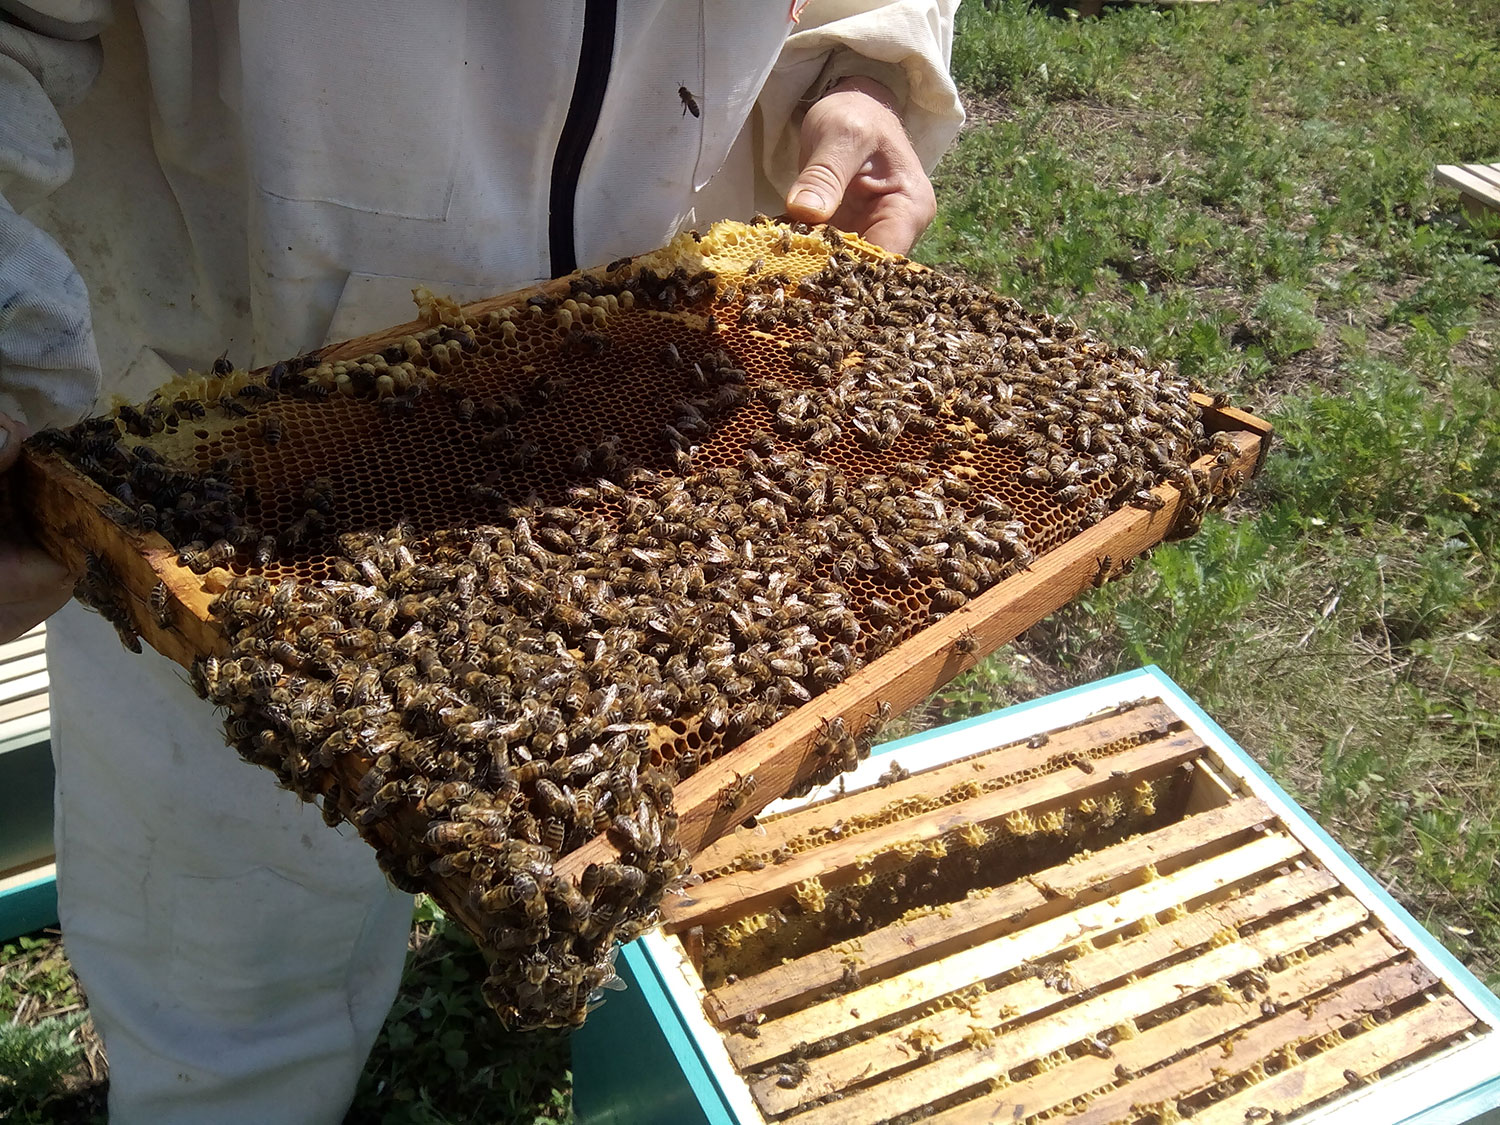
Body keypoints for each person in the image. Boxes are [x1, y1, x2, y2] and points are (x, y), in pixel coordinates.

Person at [0, 4, 964, 1121]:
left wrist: (856, 65)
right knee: (227, 969)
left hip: (661, 407)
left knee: (626, 784)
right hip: (238, 453)